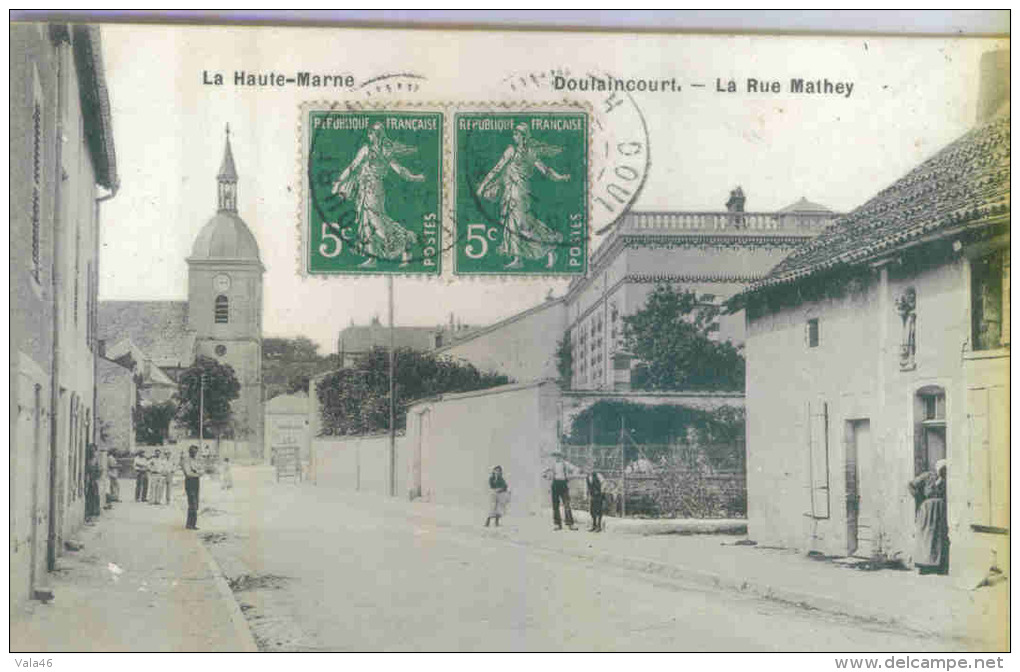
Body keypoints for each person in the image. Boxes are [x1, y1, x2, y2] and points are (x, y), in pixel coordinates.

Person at [476, 123, 571, 269]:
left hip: (521, 192)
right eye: (514, 133)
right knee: (513, 224)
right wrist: (483, 185)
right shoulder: (511, 150)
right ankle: (519, 258)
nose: (514, 136)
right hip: (509, 192)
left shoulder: (530, 153)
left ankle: (549, 247)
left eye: (517, 133)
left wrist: (559, 177)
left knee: (523, 226)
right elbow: (497, 169)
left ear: (523, 136)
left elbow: (545, 170)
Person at [331, 121, 424, 267]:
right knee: (366, 221)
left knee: (376, 222)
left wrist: (338, 182)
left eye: (371, 133)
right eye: (369, 133)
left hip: (371, 190)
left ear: (377, 135)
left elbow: (352, 167)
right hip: (367, 189)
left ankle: (407, 239)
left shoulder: (368, 150)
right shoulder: (385, 151)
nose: (369, 135)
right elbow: (399, 169)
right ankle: (373, 258)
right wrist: (413, 177)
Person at [908, 459, 949, 575]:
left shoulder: (947, 480)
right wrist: (920, 498)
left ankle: (936, 565)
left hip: (940, 510)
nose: (943, 471)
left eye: (945, 469)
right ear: (937, 468)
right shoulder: (927, 476)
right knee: (926, 535)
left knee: (937, 536)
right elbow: (911, 485)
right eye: (942, 469)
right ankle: (923, 565)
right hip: (927, 509)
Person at [543, 451, 579, 530]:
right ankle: (557, 524)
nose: (557, 457)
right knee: (555, 505)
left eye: (559, 456)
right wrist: (547, 476)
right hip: (555, 484)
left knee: (567, 504)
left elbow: (575, 469)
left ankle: (570, 523)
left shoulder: (565, 464)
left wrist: (570, 476)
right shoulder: (551, 465)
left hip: (563, 484)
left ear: (561, 456)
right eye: (556, 456)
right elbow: (544, 472)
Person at [182, 445, 203, 530]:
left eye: (196, 452)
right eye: (193, 451)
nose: (194, 453)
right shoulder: (186, 461)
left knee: (196, 503)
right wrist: (197, 473)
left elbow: (202, 470)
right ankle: (190, 524)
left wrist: (196, 471)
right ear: (190, 452)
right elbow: (188, 473)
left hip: (196, 482)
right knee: (192, 503)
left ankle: (191, 523)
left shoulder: (196, 461)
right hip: (190, 482)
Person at [84, 444, 102, 521]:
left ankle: (93, 514)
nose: (93, 452)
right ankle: (89, 514)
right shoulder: (87, 460)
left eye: (94, 451)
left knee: (95, 496)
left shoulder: (95, 460)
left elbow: (100, 470)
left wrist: (95, 478)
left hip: (94, 481)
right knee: (89, 497)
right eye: (92, 451)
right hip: (89, 481)